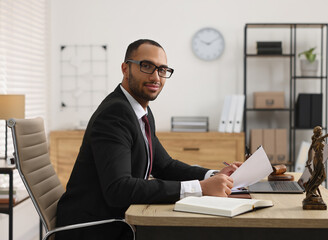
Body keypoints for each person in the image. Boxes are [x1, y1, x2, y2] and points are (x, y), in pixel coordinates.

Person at [55, 39, 241, 240]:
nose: (156, 76)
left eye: (162, 70)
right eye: (146, 66)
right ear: (125, 69)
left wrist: (212, 175)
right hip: (94, 228)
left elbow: (165, 165)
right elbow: (118, 189)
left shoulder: (141, 110)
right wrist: (200, 189)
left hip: (121, 219)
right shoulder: (115, 114)